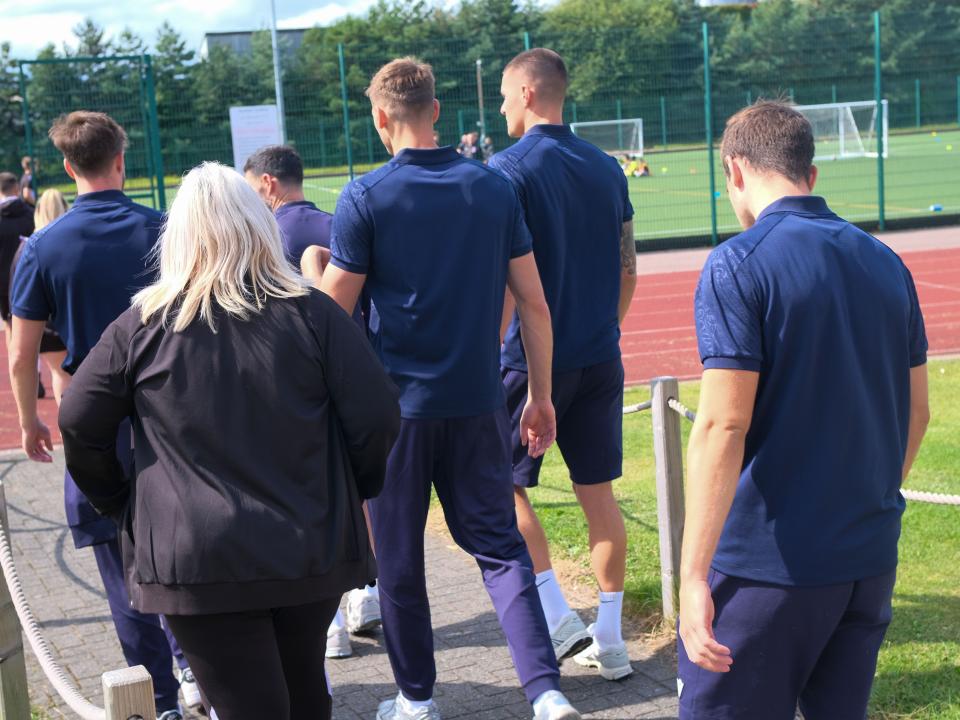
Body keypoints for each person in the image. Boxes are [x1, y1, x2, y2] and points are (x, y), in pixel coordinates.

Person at [59, 161, 400, 720]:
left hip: (196, 557)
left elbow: (78, 420)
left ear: (178, 237)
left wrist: (122, 502)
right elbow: (379, 416)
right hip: (307, 542)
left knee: (265, 701)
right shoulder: (311, 313)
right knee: (304, 694)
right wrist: (351, 488)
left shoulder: (143, 325)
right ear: (258, 226)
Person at [320, 57, 580, 720]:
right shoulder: (493, 188)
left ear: (380, 117)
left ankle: (417, 699)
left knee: (399, 561)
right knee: (501, 550)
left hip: (396, 415)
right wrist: (540, 394)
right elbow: (534, 304)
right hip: (478, 402)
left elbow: (329, 315)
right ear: (436, 110)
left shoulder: (365, 196)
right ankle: (546, 691)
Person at [678, 101, 929, 719]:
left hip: (767, 567)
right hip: (867, 559)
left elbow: (722, 424)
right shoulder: (886, 262)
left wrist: (692, 576)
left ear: (735, 170)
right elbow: (918, 412)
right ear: (810, 175)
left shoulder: (738, 263)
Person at [8, 111, 198, 718]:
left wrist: (31, 421)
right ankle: (198, 669)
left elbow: (22, 353)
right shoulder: (166, 230)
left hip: (95, 422)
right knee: (188, 551)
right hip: (173, 417)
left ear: (68, 167)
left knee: (122, 572)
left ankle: (159, 699)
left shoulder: (43, 247)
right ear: (121, 159)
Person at [491, 48, 636, 680]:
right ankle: (611, 638)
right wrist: (605, 330)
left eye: (503, 95)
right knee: (599, 496)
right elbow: (629, 268)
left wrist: (489, 353)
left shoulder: (506, 171)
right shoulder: (607, 167)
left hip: (528, 361)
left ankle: (555, 615)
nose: (500, 108)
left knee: (504, 485)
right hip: (600, 355)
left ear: (526, 92)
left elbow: (505, 281)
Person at [243, 144, 378, 658]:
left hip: (290, 386)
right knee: (356, 489)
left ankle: (331, 623)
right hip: (354, 375)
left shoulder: (260, 237)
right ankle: (366, 591)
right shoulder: (338, 225)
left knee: (304, 497)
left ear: (269, 183)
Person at [12, 189, 71, 404]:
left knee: (60, 374)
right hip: (72, 321)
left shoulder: (30, 247)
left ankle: (69, 420)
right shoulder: (72, 240)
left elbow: (18, 290)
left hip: (46, 325)